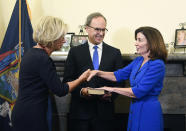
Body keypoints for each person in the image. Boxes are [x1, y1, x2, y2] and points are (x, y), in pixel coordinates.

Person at [11, 16, 90, 131]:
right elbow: (60, 90)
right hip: (31, 117)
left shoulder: (32, 53)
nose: (64, 40)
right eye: (61, 37)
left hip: (23, 112)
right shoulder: (42, 59)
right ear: (52, 37)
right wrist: (81, 78)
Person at [87, 26, 168, 131]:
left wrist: (111, 89)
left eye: (139, 40)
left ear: (151, 43)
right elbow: (117, 75)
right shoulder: (138, 61)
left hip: (149, 112)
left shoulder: (157, 65)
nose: (135, 43)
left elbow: (138, 91)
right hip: (134, 108)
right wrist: (97, 72)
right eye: (136, 39)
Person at [63, 12, 124, 131]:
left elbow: (120, 82)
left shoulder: (115, 53)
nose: (101, 33)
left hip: (105, 116)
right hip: (80, 115)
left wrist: (111, 95)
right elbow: (67, 80)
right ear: (87, 29)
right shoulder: (74, 52)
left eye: (103, 29)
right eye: (97, 29)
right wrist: (82, 91)